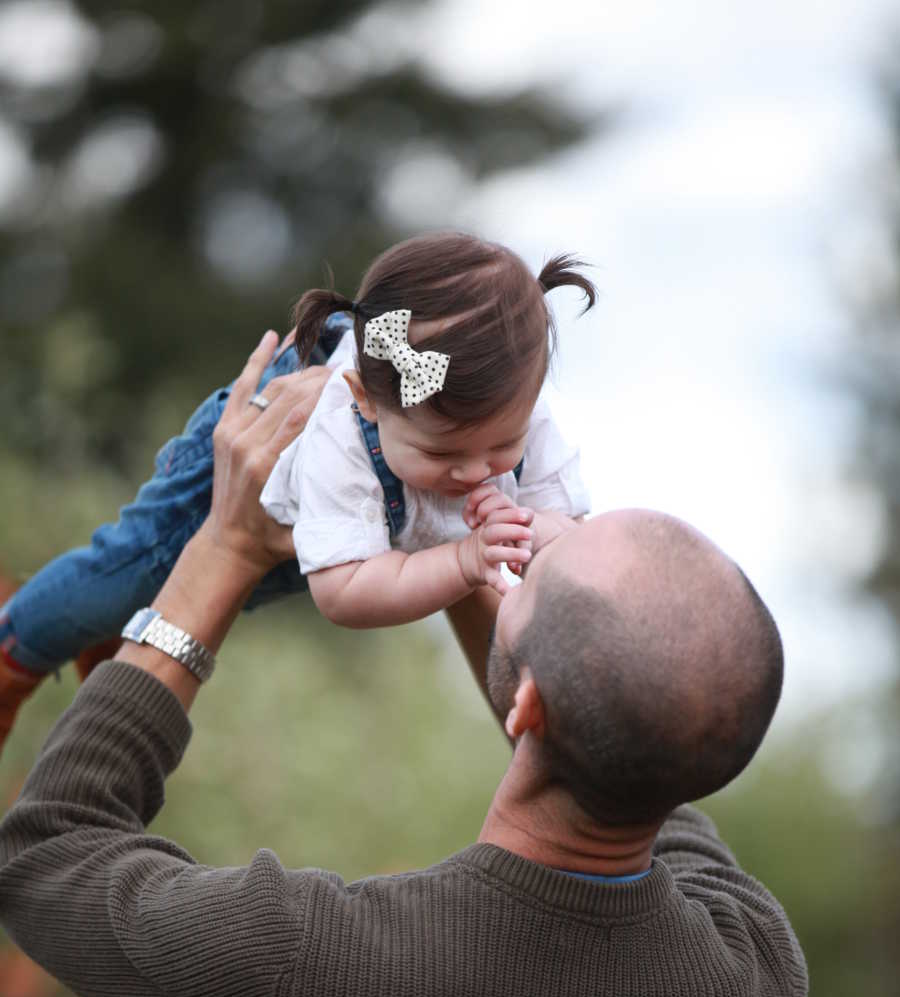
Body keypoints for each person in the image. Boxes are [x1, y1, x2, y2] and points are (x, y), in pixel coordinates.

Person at [0, 337, 808, 997]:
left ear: (529, 706)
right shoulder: (751, 971)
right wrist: (460, 532)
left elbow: (50, 849)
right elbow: (621, 737)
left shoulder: (328, 971)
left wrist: (225, 549)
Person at [0, 231, 594, 753]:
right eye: (442, 454)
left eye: (499, 449)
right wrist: (467, 556)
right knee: (135, 566)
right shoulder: (343, 429)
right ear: (365, 400)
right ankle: (14, 647)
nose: (473, 472)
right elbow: (345, 594)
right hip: (260, 464)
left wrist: (530, 529)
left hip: (362, 528)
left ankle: (117, 622)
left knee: (228, 596)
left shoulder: (519, 408)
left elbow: (572, 543)